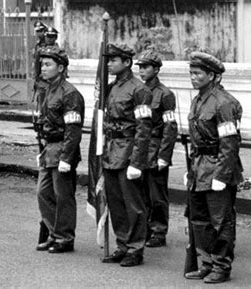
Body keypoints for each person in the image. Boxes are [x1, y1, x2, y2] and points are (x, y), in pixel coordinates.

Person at [183, 51, 243, 284]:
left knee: (220, 221)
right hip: (199, 168)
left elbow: (230, 143)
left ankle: (221, 265)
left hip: (218, 167)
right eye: (191, 73)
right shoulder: (198, 100)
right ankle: (206, 263)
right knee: (199, 220)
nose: (193, 77)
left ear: (213, 76)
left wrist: (222, 175)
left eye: (198, 73)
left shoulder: (224, 103)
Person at [101, 43, 153, 267]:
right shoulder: (112, 87)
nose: (109, 64)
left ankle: (135, 248)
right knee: (116, 203)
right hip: (111, 150)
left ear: (127, 62)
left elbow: (144, 128)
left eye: (113, 60)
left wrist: (137, 162)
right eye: (108, 60)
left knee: (133, 203)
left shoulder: (139, 90)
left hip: (129, 149)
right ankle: (122, 244)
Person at [34, 46, 85, 253]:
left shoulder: (70, 93)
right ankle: (54, 233)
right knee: (43, 193)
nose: (43, 69)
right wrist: (42, 150)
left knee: (63, 196)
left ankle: (64, 237)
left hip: (64, 148)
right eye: (42, 64)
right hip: (49, 149)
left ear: (61, 67)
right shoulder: (47, 90)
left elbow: (73, 129)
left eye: (48, 65)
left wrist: (67, 157)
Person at [135, 49, 178, 248]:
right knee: (141, 192)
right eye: (140, 67)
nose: (142, 71)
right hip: (141, 149)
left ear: (156, 69)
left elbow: (170, 127)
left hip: (156, 147)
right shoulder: (139, 92)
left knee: (157, 194)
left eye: (146, 67)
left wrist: (164, 156)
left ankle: (159, 231)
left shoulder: (165, 94)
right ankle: (144, 228)